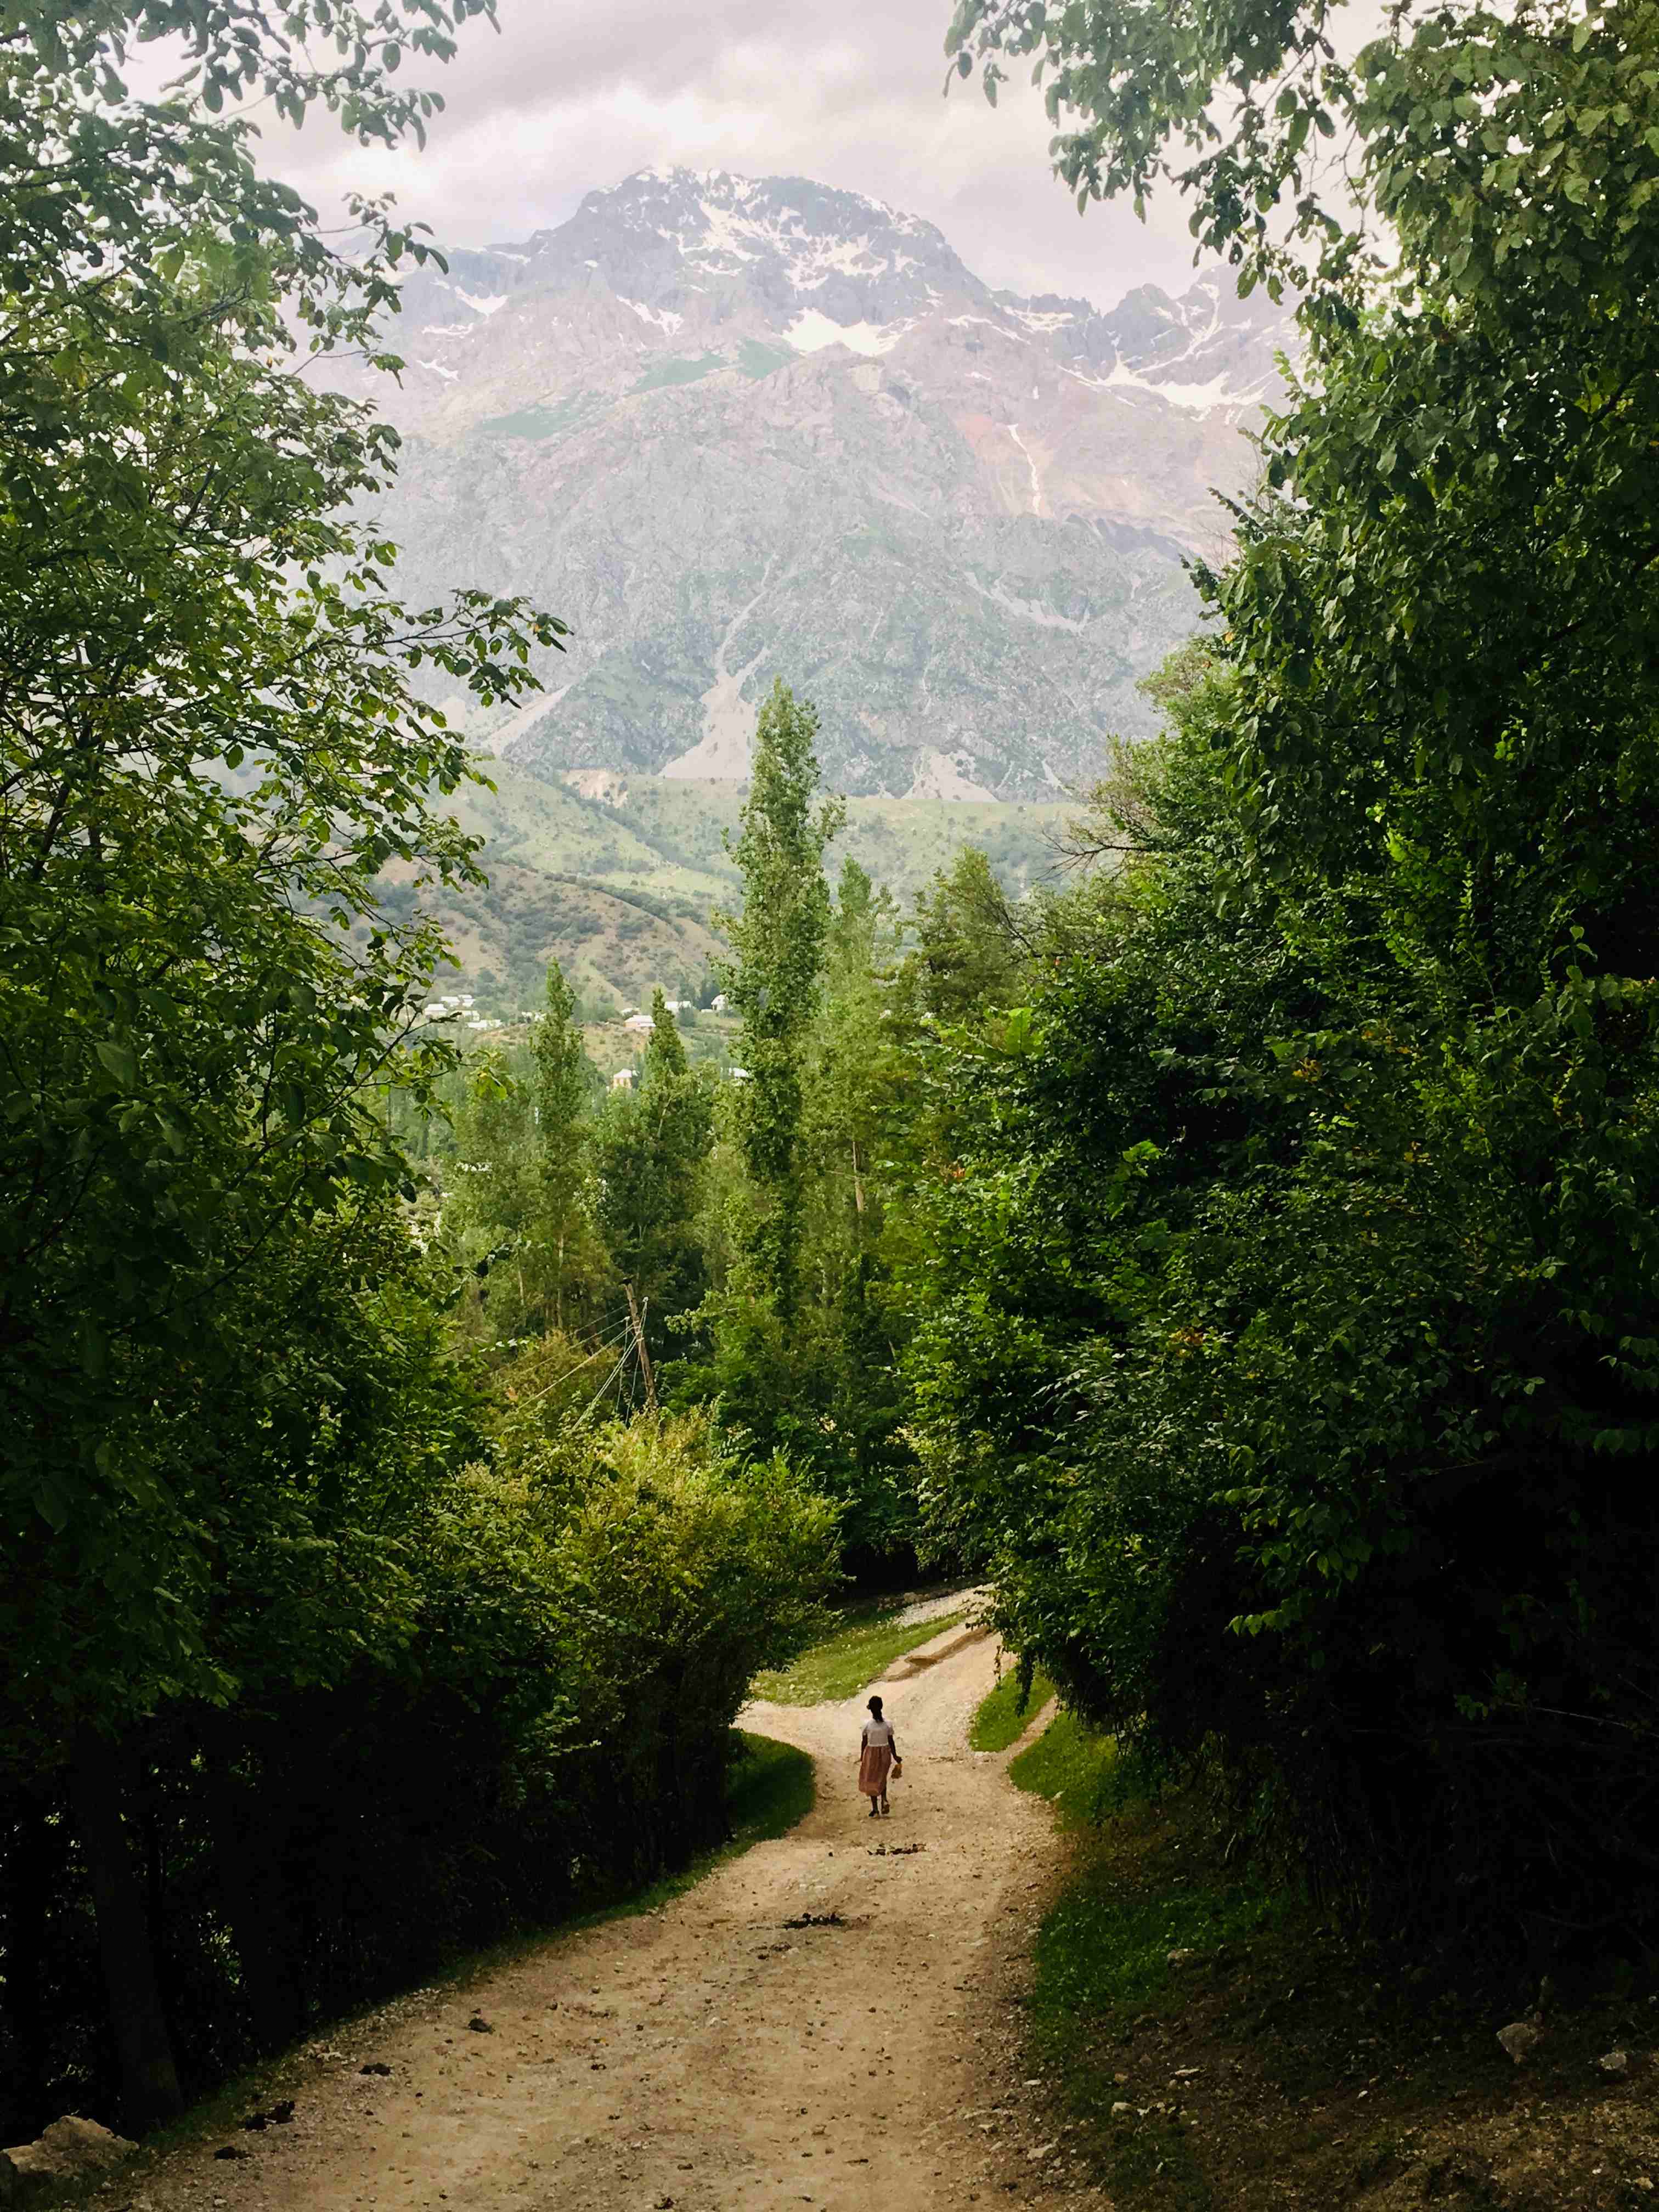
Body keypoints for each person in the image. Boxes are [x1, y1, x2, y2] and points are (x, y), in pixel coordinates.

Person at [858, 1695, 899, 1818]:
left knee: (872, 1779)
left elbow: (864, 1742)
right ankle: (884, 1799)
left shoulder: (867, 1725)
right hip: (885, 1752)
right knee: (881, 1777)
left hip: (871, 1753)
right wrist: (895, 1756)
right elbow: (891, 1742)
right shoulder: (888, 1724)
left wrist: (862, 1756)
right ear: (881, 1707)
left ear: (870, 1709)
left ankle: (875, 1808)